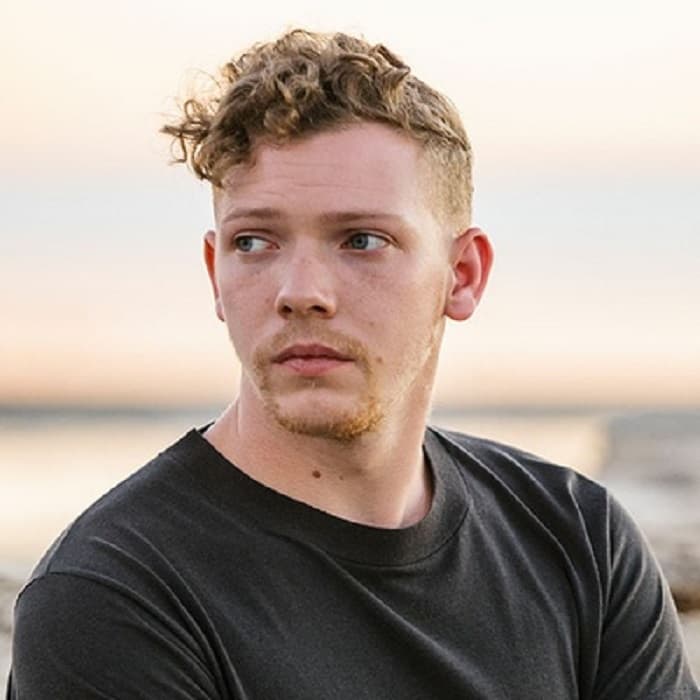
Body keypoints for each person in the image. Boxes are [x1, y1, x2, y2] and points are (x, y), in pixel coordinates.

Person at [7, 29, 699, 699]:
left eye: (361, 240)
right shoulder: (113, 597)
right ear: (216, 272)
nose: (300, 292)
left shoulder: (580, 540)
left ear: (462, 275)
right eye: (255, 242)